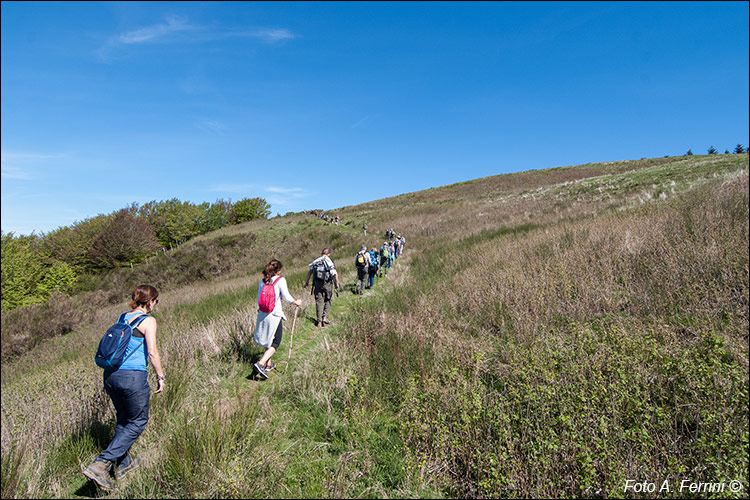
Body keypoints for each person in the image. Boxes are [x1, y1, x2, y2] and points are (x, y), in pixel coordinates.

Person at [83, 285, 165, 491]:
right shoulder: (148, 321)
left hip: (111, 376)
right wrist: (161, 376)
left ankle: (123, 463)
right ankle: (101, 464)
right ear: (150, 301)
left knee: (123, 419)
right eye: (156, 301)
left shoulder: (122, 318)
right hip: (133, 377)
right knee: (138, 421)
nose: (155, 304)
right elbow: (153, 352)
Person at [253, 259, 302, 379]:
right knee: (276, 342)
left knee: (269, 339)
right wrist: (296, 302)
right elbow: (286, 296)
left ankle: (268, 364)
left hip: (263, 314)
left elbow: (259, 296)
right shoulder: (280, 280)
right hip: (274, 315)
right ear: (279, 270)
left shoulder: (263, 281)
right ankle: (260, 363)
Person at [303, 248, 339, 327]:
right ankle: (325, 317)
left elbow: (310, 272)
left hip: (317, 284)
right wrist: (336, 284)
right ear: (328, 254)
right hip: (327, 284)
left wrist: (306, 282)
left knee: (319, 301)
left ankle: (319, 321)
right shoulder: (329, 261)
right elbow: (335, 274)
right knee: (328, 300)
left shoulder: (316, 261)